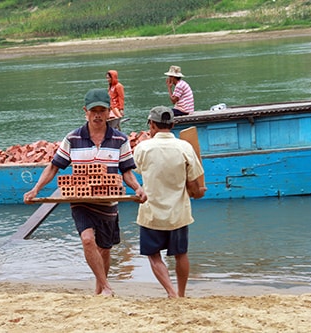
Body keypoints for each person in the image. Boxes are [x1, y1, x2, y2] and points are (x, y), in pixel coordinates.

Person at [24, 88, 147, 296]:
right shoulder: (73, 138)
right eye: (93, 111)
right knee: (88, 240)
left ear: (110, 112)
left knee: (105, 249)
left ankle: (100, 290)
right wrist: (36, 189)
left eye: (102, 110)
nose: (98, 115)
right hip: (80, 199)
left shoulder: (120, 140)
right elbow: (54, 166)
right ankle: (107, 287)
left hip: (109, 202)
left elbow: (126, 171)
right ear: (85, 111)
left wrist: (137, 187)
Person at [133, 106, 206, 298]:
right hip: (178, 213)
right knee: (181, 254)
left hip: (152, 212)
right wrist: (199, 192)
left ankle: (171, 292)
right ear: (172, 125)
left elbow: (139, 171)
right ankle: (181, 293)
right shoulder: (185, 147)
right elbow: (193, 183)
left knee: (153, 255)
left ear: (152, 125)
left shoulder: (142, 148)